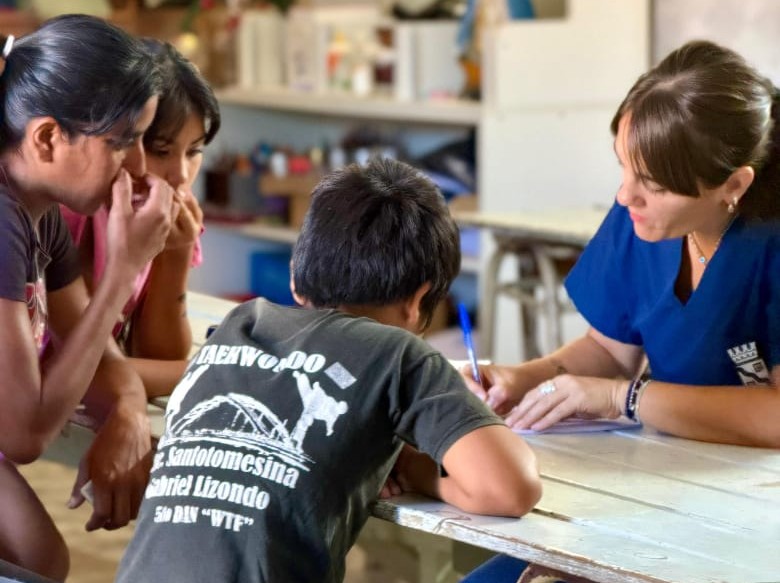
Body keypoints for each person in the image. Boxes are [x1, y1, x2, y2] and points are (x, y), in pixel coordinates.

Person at [115, 158, 542, 583]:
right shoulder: (396, 354)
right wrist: (415, 470)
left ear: (296, 277)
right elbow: (510, 488)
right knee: (527, 570)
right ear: (418, 300)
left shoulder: (240, 326)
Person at [459, 39, 780, 583]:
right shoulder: (645, 220)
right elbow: (608, 348)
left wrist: (623, 398)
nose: (625, 195)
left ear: (735, 185)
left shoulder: (767, 244)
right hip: (665, 476)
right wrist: (525, 379)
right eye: (625, 169)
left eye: (651, 185)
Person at [0, 15, 175, 582]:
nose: (141, 167)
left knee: (40, 559)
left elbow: (98, 353)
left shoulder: (38, 216)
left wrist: (127, 411)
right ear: (48, 137)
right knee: (37, 562)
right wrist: (124, 269)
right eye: (122, 142)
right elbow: (24, 435)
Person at [60, 39, 221, 399]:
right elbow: (64, 370)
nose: (180, 175)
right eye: (161, 150)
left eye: (194, 152)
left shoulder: (158, 205)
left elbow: (157, 353)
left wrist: (176, 253)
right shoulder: (72, 208)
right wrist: (206, 373)